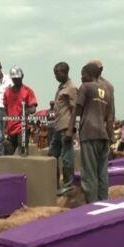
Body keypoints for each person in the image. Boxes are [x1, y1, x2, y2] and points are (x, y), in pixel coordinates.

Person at [68, 63, 115, 202]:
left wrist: (70, 130)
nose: (81, 77)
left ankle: (92, 207)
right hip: (103, 136)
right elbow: (110, 117)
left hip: (89, 133)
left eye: (83, 74)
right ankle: (103, 204)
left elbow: (77, 110)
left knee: (89, 175)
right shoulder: (107, 90)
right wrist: (110, 137)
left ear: (89, 74)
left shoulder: (86, 87)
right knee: (102, 174)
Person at [50, 62, 78, 191]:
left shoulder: (71, 88)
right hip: (57, 126)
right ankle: (54, 183)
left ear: (65, 72)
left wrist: (70, 129)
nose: (55, 76)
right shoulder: (60, 87)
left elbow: (74, 109)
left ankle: (68, 185)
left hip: (66, 127)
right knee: (52, 155)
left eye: (57, 73)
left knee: (67, 158)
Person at [3, 66, 38, 155]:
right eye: (13, 78)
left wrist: (28, 110)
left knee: (22, 152)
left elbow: (33, 107)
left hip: (22, 127)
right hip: (10, 127)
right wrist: (5, 128)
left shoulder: (27, 91)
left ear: (22, 76)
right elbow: (5, 110)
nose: (15, 80)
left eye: (17, 78)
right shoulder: (7, 92)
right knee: (7, 152)